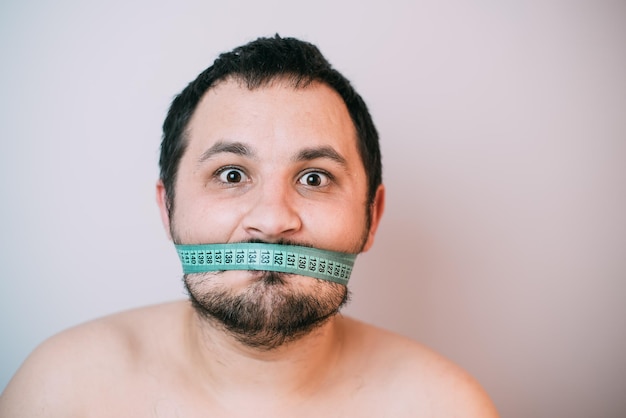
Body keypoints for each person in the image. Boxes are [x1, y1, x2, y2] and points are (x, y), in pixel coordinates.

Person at [0, 35, 499, 417]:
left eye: (315, 177)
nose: (272, 220)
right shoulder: (61, 392)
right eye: (231, 174)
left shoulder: (446, 406)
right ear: (167, 208)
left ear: (372, 217)